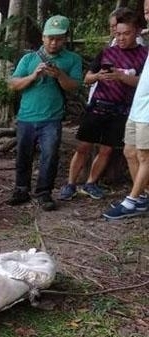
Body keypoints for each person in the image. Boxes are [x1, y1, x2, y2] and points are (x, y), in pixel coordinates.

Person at [59, 9, 147, 201]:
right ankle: (70, 183)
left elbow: (143, 82)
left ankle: (91, 183)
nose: (121, 38)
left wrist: (122, 77)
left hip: (122, 109)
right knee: (83, 146)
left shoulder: (144, 55)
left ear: (137, 32)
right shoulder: (107, 52)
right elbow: (87, 78)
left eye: (126, 34)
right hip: (98, 105)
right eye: (118, 34)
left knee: (106, 149)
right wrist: (98, 76)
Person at [7, 15, 83, 211]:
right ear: (42, 37)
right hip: (26, 116)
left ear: (65, 38)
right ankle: (21, 188)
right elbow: (14, 84)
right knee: (23, 154)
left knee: (49, 155)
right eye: (50, 37)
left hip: (52, 117)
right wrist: (33, 76)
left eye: (58, 38)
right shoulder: (29, 58)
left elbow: (73, 86)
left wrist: (59, 75)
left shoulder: (72, 59)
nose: (53, 42)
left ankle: (44, 192)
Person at [103, 0, 149, 220]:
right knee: (129, 152)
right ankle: (143, 196)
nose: (148, 13)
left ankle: (132, 200)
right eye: (147, 10)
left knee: (145, 155)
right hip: (138, 106)